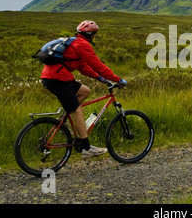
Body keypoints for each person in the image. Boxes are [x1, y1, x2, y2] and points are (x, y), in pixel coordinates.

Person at [40, 20, 127, 157]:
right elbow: (98, 65)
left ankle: (66, 118)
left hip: (54, 77)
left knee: (85, 91)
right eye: (95, 34)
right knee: (78, 110)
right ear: (91, 34)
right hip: (58, 79)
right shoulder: (82, 45)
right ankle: (86, 148)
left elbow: (83, 67)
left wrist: (102, 80)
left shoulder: (75, 43)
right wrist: (117, 79)